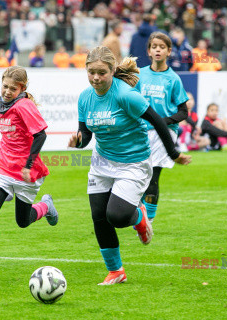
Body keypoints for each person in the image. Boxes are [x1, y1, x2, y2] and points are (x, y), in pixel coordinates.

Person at [68, 46, 191, 285]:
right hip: (102, 162)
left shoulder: (126, 95)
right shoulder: (85, 97)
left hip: (133, 163)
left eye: (101, 73)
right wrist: (78, 141)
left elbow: (158, 122)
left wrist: (173, 153)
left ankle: (139, 217)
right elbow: (86, 135)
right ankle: (116, 271)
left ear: (113, 70)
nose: (96, 78)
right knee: (98, 217)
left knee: (117, 215)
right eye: (91, 72)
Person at [0, 66, 59, 270]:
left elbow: (41, 135)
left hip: (26, 172)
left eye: (13, 89)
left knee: (23, 221)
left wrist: (28, 166)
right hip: (3, 167)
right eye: (5, 87)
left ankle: (46, 206)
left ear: (22, 88)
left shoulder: (24, 106)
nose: (7, 92)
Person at [135, 32, 190, 240]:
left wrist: (163, 121)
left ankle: (149, 220)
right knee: (137, 174)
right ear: (148, 51)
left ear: (168, 51)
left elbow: (183, 111)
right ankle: (139, 214)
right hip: (141, 131)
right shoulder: (140, 75)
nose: (158, 50)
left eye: (162, 47)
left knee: (153, 175)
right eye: (154, 46)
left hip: (164, 134)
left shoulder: (173, 79)